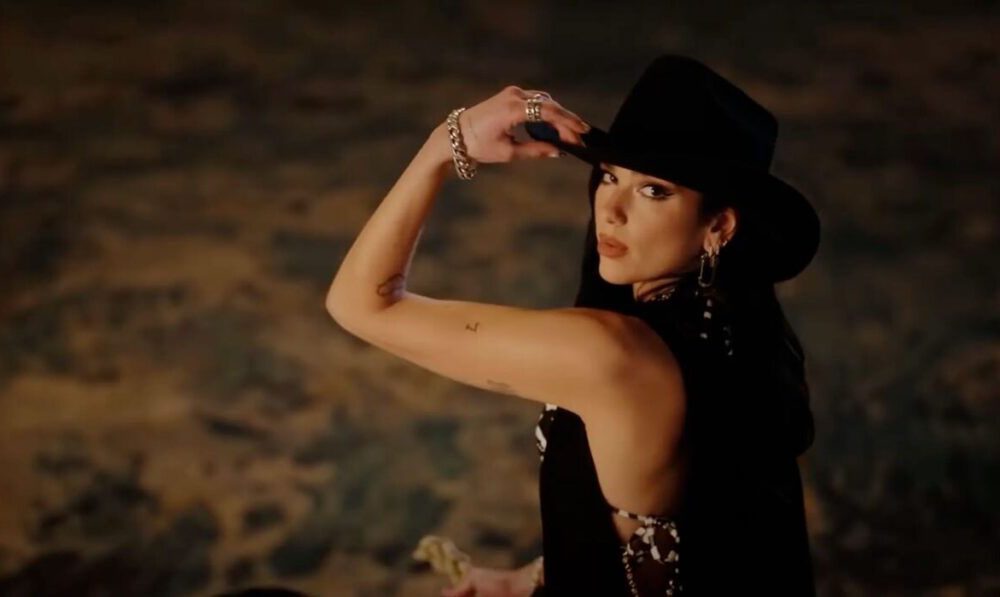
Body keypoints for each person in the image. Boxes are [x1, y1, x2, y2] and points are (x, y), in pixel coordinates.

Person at [326, 54, 821, 596]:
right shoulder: (743, 331)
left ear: (719, 225)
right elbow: (686, 534)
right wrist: (530, 580)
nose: (612, 210)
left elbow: (363, 305)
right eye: (610, 176)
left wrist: (446, 144)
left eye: (654, 190)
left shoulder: (609, 354)